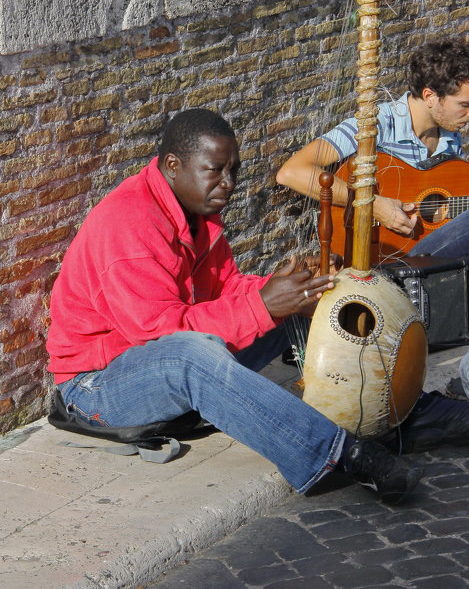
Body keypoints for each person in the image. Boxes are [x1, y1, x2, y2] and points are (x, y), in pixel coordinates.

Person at [47, 109, 426, 505]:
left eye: (234, 171)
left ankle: (399, 412)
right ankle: (342, 455)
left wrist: (284, 290)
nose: (228, 184)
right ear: (173, 166)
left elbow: (226, 287)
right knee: (190, 355)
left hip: (158, 358)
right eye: (215, 170)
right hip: (95, 388)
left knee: (308, 302)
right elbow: (160, 334)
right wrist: (263, 304)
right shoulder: (128, 223)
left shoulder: (196, 212)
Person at [277, 38, 469, 451]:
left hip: (436, 269)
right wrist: (372, 203)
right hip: (384, 270)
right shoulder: (371, 125)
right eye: (466, 104)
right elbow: (293, 171)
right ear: (431, 96)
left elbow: (447, 211)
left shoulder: (449, 137)